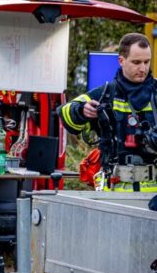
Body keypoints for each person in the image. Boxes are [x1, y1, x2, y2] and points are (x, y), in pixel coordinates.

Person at [58, 33, 157, 192]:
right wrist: (82, 110)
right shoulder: (105, 94)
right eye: (136, 62)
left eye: (147, 62)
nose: (143, 68)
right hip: (113, 190)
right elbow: (65, 113)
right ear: (121, 61)